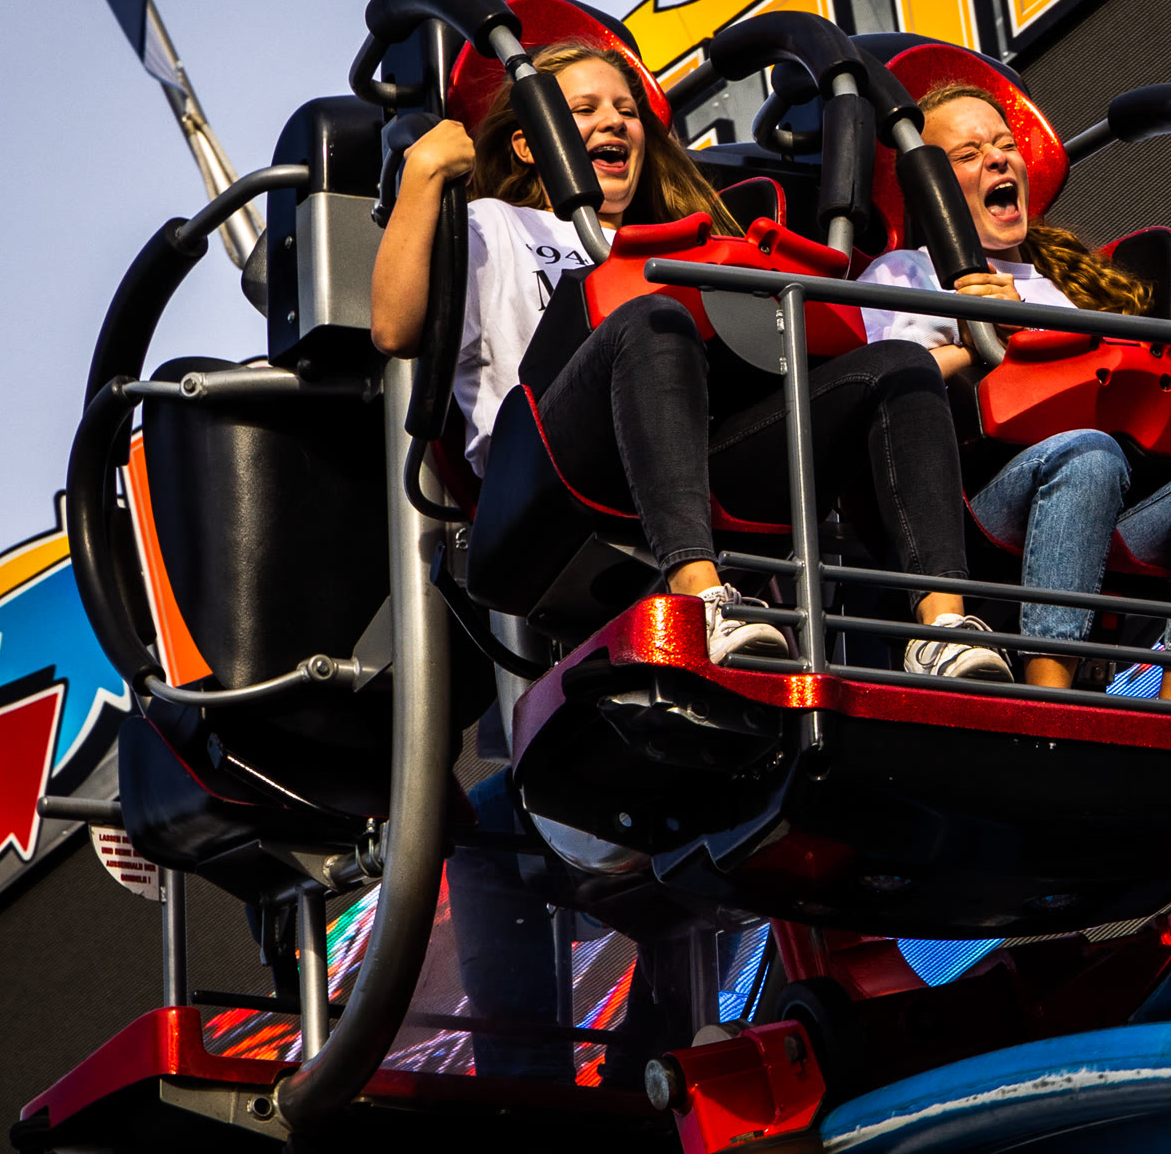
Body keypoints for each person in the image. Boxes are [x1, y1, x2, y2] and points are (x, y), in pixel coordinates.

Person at [371, 38, 1009, 680]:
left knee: (896, 364)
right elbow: (395, 329)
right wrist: (422, 172)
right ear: (528, 144)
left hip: (688, 462)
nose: (614, 122)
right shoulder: (493, 224)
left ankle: (941, 631)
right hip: (548, 465)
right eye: (585, 110)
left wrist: (969, 343)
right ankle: (700, 599)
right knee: (652, 317)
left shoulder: (680, 243)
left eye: (626, 111)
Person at [858, 82, 1171, 703]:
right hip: (981, 498)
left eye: (1005, 146)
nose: (997, 160)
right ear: (930, 186)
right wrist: (983, 338)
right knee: (1087, 453)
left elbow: (1136, 383)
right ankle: (1052, 691)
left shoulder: (1066, 285)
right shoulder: (906, 274)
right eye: (969, 154)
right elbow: (891, 387)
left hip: (1112, 495)